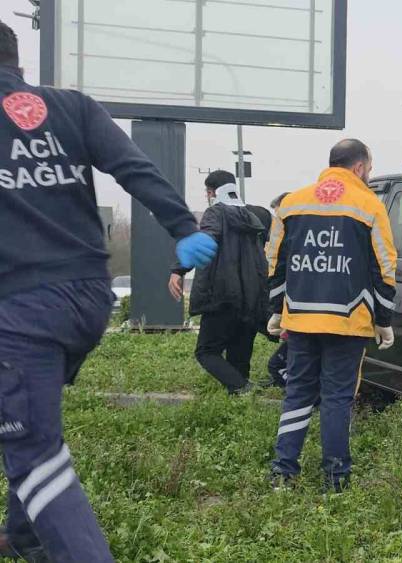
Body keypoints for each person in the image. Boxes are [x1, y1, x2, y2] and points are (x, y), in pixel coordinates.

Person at [0, 21, 216, 562]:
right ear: (16, 61)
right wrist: (183, 227)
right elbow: (134, 167)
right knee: (27, 411)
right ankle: (25, 535)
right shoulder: (72, 107)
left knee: (33, 449)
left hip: (20, 310)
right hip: (87, 299)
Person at [266, 139, 397, 493]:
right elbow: (384, 266)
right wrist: (383, 318)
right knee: (337, 398)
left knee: (297, 393)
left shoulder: (292, 203)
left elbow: (276, 261)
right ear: (359, 167)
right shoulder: (369, 206)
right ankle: (336, 479)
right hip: (348, 320)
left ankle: (283, 473)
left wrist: (277, 310)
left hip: (300, 318)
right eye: (369, 169)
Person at [168, 170, 269, 395]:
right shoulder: (253, 216)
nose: (207, 196)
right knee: (239, 358)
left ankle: (242, 388)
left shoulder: (215, 213)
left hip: (222, 296)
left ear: (213, 192)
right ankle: (241, 397)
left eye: (207, 192)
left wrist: (179, 270)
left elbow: (205, 240)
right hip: (251, 298)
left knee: (206, 351)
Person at [265, 191, 292, 389]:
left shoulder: (287, 242)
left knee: (276, 365)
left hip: (295, 316)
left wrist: (278, 312)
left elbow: (279, 274)